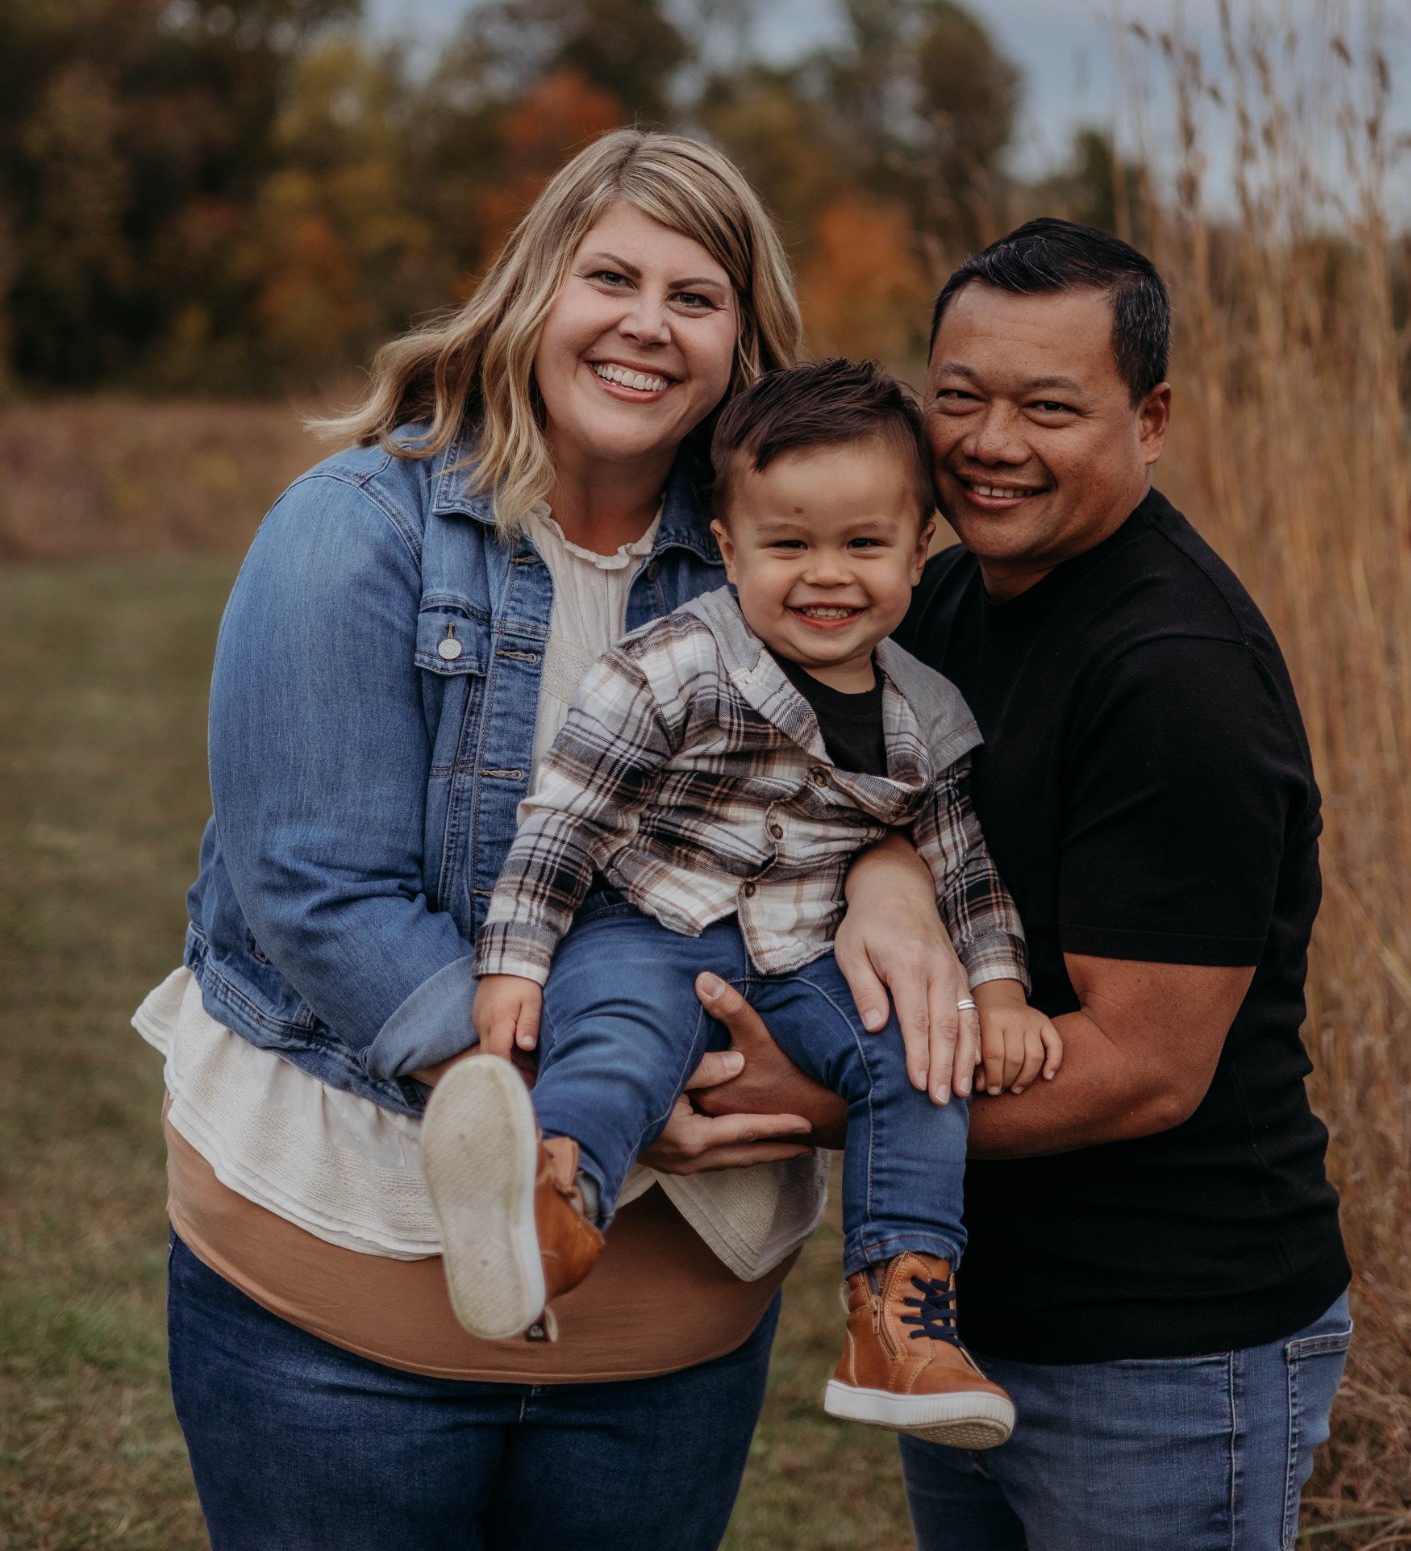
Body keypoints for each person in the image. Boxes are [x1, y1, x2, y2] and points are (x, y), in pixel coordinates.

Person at [132, 130, 978, 1551]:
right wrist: (608, 1090)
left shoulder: (778, 554)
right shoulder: (356, 530)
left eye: (695, 297)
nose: (648, 324)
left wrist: (891, 875)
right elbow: (316, 892)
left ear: (742, 342)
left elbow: (869, 761)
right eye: (611, 277)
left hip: (664, 1355)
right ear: (534, 292)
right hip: (349, 1306)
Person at [699, 219, 1352, 1549]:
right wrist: (885, 876)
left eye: (1048, 407)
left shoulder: (1175, 674)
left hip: (1160, 1351)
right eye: (960, 398)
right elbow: (868, 799)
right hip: (970, 1323)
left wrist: (818, 1100)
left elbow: (1144, 1064)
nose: (991, 442)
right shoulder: (936, 602)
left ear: (1148, 418)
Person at [421, 360, 1060, 1449]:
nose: (827, 576)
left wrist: (995, 987)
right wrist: (516, 960)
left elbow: (962, 870)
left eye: (863, 545)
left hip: (806, 949)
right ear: (727, 547)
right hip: (650, 924)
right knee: (622, 1035)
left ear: (919, 550)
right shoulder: (671, 668)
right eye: (788, 544)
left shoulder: (928, 716)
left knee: (921, 1050)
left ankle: (896, 1313)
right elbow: (566, 816)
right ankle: (550, 1206)